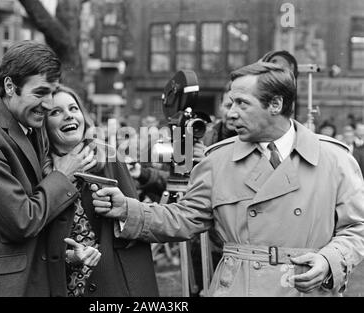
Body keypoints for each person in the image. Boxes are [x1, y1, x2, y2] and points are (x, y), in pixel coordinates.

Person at [91, 62, 364, 297]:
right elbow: (184, 218)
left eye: (242, 103)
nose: (230, 113)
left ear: (276, 104)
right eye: (231, 103)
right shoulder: (217, 161)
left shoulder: (333, 159)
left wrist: (328, 261)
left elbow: (357, 230)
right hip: (236, 287)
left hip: (304, 287)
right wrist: (128, 209)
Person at [0, 41, 98, 297]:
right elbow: (22, 221)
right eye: (39, 93)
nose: (47, 105)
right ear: (10, 87)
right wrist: (62, 175)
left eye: (52, 93)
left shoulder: (29, 127)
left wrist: (70, 254)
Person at [43, 85, 158, 297]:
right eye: (56, 112)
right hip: (60, 283)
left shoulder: (110, 158)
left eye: (73, 108)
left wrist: (120, 209)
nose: (68, 115)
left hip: (111, 283)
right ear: (44, 125)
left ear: (83, 117)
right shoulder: (39, 170)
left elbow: (135, 220)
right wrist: (70, 256)